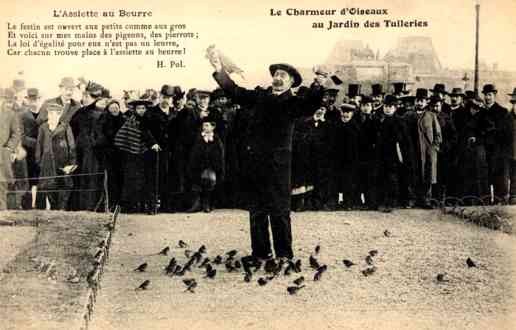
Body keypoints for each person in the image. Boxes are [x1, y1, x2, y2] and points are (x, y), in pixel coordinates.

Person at [208, 49, 314, 260]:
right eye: (276, 74)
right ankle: (261, 252)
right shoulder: (259, 97)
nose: (277, 78)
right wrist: (219, 69)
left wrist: (320, 83)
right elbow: (235, 91)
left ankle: (284, 254)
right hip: (255, 164)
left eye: (283, 75)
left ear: (292, 82)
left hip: (278, 166)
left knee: (279, 210)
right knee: (256, 210)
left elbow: (311, 104)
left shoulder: (293, 103)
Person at [114, 96, 158, 213]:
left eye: (143, 108)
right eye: (139, 108)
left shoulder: (149, 120)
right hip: (132, 156)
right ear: (134, 109)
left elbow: (150, 135)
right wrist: (130, 147)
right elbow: (121, 137)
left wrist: (152, 144)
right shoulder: (130, 121)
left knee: (147, 180)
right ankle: (132, 206)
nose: (141, 111)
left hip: (146, 155)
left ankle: (147, 206)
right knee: (132, 180)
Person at [70, 81, 105, 211]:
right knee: (82, 178)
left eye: (85, 96)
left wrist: (92, 143)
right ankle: (81, 207)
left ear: (90, 97)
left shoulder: (99, 113)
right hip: (81, 151)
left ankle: (89, 207)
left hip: (92, 154)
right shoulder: (81, 112)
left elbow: (102, 136)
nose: (83, 98)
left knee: (91, 178)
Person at [35, 103, 77, 210]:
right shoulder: (43, 127)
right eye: (50, 113)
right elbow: (39, 145)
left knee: (62, 187)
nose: (52, 116)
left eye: (55, 114)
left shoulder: (65, 127)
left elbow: (71, 146)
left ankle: (60, 210)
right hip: (47, 162)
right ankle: (52, 210)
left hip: (62, 162)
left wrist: (71, 163)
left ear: (60, 115)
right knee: (48, 188)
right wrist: (39, 161)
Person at [405, 88, 442, 208]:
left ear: (426, 102)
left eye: (422, 101)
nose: (420, 103)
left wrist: (434, 148)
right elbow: (403, 134)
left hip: (428, 151)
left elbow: (438, 134)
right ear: (415, 101)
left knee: (428, 175)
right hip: (413, 150)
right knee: (413, 174)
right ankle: (412, 199)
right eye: (418, 100)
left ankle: (426, 200)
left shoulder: (431, 116)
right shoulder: (408, 115)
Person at [143, 84, 176, 212]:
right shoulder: (151, 113)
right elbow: (144, 130)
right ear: (160, 96)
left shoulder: (174, 113)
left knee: (168, 176)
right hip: (155, 150)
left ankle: (167, 204)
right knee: (153, 177)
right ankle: (151, 206)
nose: (166, 100)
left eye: (169, 97)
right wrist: (152, 143)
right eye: (164, 97)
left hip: (169, 150)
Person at [482, 84, 512, 204]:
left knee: (499, 176)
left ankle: (500, 200)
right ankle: (487, 200)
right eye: (485, 95)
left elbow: (506, 133)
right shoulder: (481, 112)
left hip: (498, 150)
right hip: (485, 150)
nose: (487, 97)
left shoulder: (502, 112)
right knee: (486, 175)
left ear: (494, 95)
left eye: (489, 95)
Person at [187, 118, 225, 213]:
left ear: (213, 127)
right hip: (198, 165)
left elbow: (219, 154)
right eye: (204, 125)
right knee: (196, 183)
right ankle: (197, 203)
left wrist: (214, 164)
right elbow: (194, 152)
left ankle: (207, 203)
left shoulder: (216, 139)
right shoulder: (198, 137)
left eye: (207, 125)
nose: (205, 127)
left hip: (211, 166)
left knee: (209, 180)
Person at [94, 100, 126, 210]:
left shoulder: (124, 119)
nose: (115, 110)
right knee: (110, 180)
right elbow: (100, 137)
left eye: (116, 108)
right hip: (109, 154)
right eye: (112, 108)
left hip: (122, 154)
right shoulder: (103, 120)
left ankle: (120, 203)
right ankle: (110, 204)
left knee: (121, 178)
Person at [19, 88, 45, 209]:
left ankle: (41, 205)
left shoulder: (46, 114)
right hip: (28, 151)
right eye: (31, 99)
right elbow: (21, 136)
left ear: (40, 99)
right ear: (27, 100)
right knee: (29, 178)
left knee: (43, 178)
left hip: (44, 151)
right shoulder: (22, 115)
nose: (34, 102)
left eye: (37, 99)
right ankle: (28, 206)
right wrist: (38, 143)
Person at [333, 104, 360, 210]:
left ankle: (348, 203)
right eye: (344, 112)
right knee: (336, 180)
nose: (345, 114)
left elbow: (359, 145)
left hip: (351, 159)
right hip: (337, 159)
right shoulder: (336, 125)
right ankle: (335, 202)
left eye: (348, 112)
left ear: (352, 114)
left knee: (349, 181)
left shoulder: (356, 127)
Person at [0, 88, 22, 210]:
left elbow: (16, 134)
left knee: (1, 185)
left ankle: (2, 215)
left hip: (2, 156)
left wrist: (9, 148)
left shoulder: (10, 114)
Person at [508, 88, 516, 205]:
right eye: (514, 103)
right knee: (513, 175)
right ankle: (513, 196)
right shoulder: (507, 117)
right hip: (510, 153)